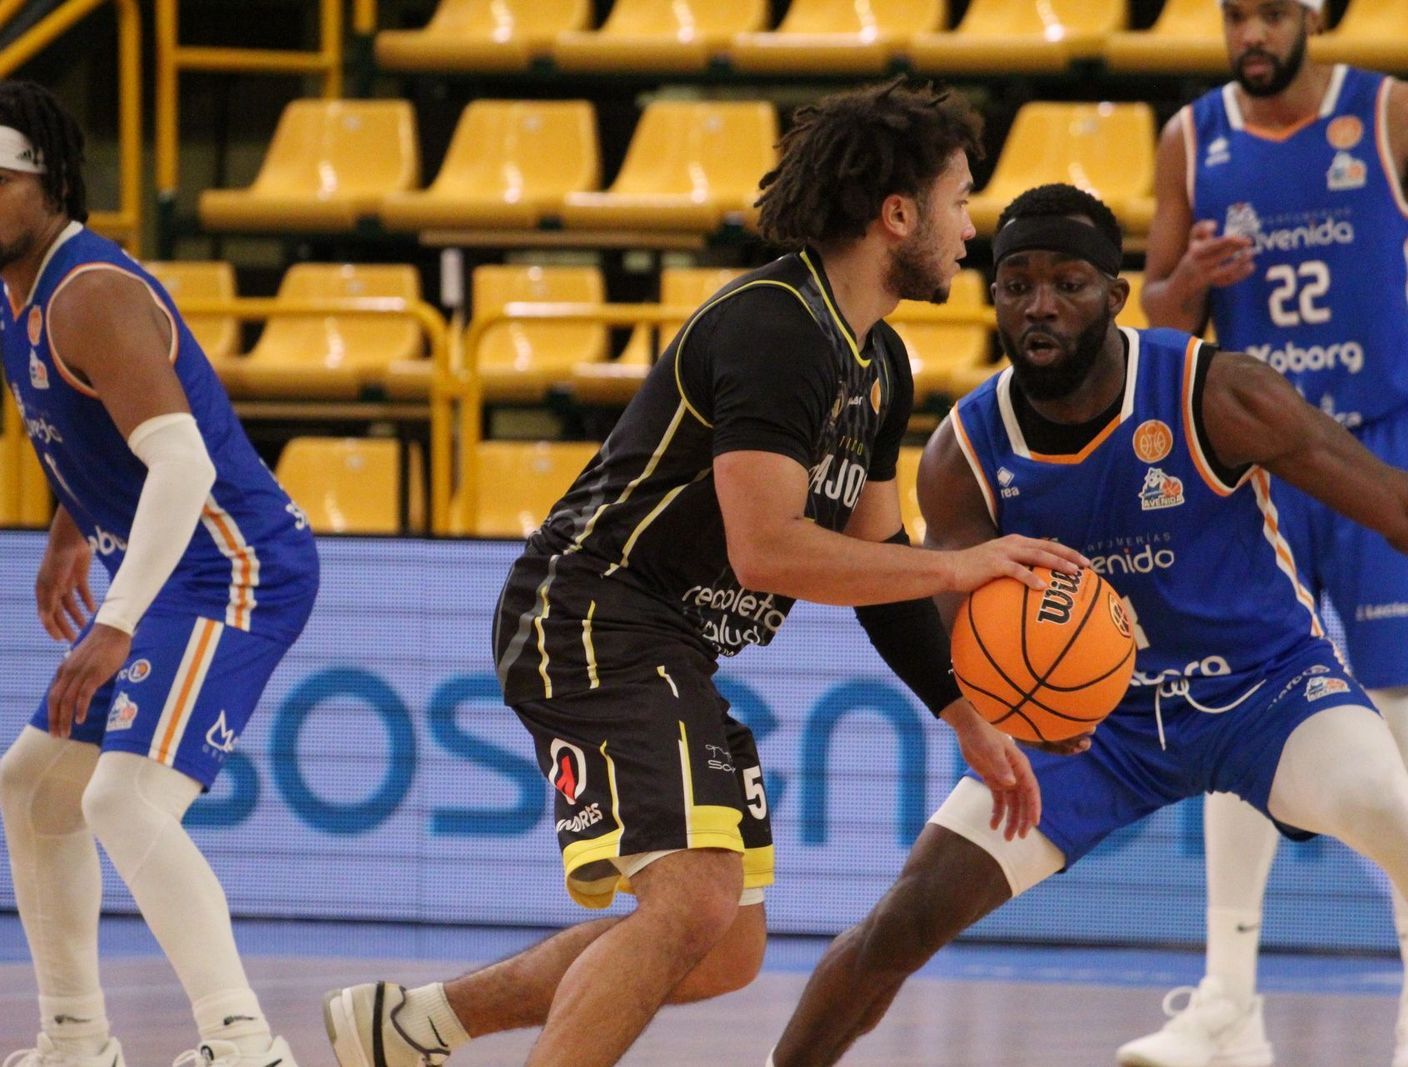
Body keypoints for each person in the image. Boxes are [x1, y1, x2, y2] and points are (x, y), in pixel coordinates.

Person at [321, 79, 1082, 1067]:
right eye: (958, 200)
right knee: (692, 897)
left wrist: (964, 713)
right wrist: (965, 563)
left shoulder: (878, 362)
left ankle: (415, 1024)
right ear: (897, 214)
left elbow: (882, 559)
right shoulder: (775, 327)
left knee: (722, 946)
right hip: (592, 609)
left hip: (665, 636)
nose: (967, 228)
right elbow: (769, 549)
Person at [768, 183, 1408, 1067]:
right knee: (906, 916)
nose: (1040, 304)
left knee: (1387, 803)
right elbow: (942, 629)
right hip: (1095, 724)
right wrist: (988, 713)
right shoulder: (966, 452)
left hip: (1266, 686)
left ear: (1116, 296)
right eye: (1017, 284)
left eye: (1069, 281)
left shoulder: (1216, 391)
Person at [1131, 2, 1408, 1064]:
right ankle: (1226, 996)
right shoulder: (1190, 137)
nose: (1249, 33)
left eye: (1268, 12)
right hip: (1257, 458)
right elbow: (1153, 319)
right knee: (1236, 710)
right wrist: (1190, 286)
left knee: (1401, 715)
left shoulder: (1393, 112)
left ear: (1309, 14)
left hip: (1381, 448)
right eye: (1232, 15)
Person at [0, 82, 318, 1067]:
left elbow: (179, 458)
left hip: (231, 566)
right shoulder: (18, 293)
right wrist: (68, 527)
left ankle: (243, 1041)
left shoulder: (88, 292)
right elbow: (104, 431)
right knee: (32, 788)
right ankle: (75, 1036)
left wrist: (115, 619)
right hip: (169, 563)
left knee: (119, 799)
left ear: (44, 180)